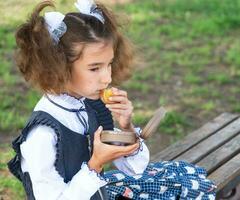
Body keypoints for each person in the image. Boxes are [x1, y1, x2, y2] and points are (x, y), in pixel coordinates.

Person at [7, 0, 216, 199]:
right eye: (94, 68)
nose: (107, 78)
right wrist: (96, 164)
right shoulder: (43, 134)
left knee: (185, 178)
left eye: (109, 64)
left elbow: (135, 168)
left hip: (100, 192)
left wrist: (127, 128)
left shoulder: (90, 104)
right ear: (58, 66)